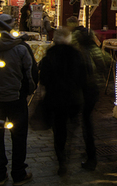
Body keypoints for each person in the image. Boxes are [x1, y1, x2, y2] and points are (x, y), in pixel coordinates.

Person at [0, 30, 37, 184]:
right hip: (16, 98)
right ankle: (18, 173)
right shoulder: (20, 48)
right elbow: (30, 73)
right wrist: (29, 90)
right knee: (18, 136)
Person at [38, 27, 89, 174]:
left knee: (59, 130)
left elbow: (44, 79)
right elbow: (83, 78)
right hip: (73, 98)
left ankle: (61, 158)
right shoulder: (76, 55)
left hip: (55, 98)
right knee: (71, 128)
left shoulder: (49, 55)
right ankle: (68, 151)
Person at [70, 25, 109, 169]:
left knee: (85, 122)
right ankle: (88, 152)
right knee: (86, 121)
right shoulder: (94, 50)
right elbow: (107, 62)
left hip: (85, 91)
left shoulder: (80, 53)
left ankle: (90, 155)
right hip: (93, 91)